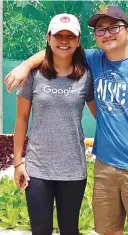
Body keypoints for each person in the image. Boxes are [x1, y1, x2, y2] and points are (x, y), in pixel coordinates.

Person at [5, 6, 128, 235]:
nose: (107, 34)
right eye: (100, 30)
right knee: (108, 231)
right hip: (104, 166)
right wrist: (25, 65)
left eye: (114, 27)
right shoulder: (93, 60)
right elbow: (56, 50)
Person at [13, 13, 95, 235]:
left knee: (70, 229)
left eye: (70, 36)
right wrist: (19, 162)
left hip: (73, 170)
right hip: (38, 169)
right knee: (40, 230)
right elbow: (21, 119)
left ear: (78, 42)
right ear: (49, 38)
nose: (64, 40)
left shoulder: (86, 76)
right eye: (59, 35)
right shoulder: (33, 75)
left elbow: (101, 117)